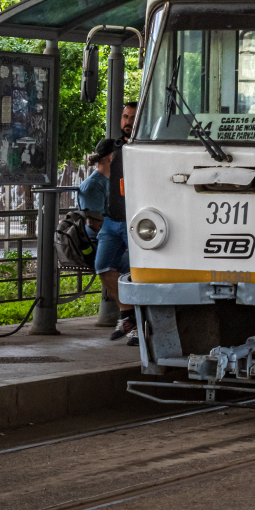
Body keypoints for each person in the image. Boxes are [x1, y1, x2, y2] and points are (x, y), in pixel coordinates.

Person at [98, 102, 138, 345]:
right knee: (103, 265)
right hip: (112, 219)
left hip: (136, 220)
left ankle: (137, 325)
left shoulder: (147, 145)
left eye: (132, 118)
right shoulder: (114, 147)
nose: (127, 122)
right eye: (125, 117)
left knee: (138, 273)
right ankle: (127, 316)